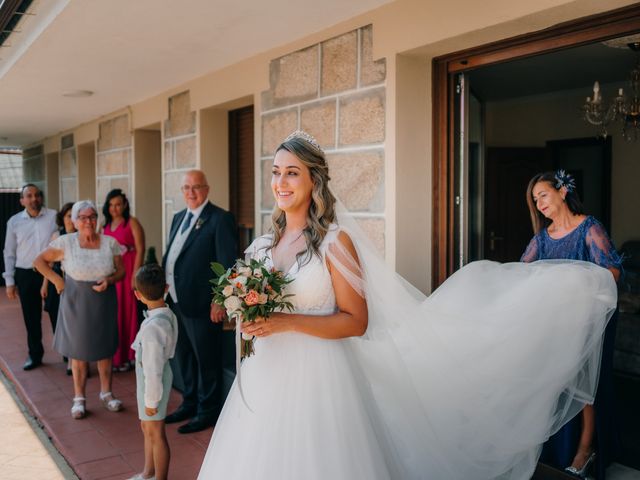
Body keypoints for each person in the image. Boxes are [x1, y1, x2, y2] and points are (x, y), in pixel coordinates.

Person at [198, 131, 617, 480]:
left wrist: (285, 322)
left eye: (292, 173)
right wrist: (244, 312)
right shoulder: (261, 247)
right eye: (276, 173)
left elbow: (356, 320)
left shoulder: (333, 242)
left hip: (318, 382)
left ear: (314, 181)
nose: (281, 183)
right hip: (264, 376)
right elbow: (251, 305)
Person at [521, 170, 622, 479]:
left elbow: (613, 273)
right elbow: (521, 272)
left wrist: (577, 288)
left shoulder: (589, 229)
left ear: (562, 192)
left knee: (583, 382)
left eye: (544, 195)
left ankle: (585, 448)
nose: (539, 204)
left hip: (589, 319)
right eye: (535, 200)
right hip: (554, 322)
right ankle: (551, 449)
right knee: (552, 380)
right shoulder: (542, 238)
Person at [34, 200, 126, 419]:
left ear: (98, 219)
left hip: (103, 300)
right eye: (83, 217)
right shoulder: (65, 242)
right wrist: (56, 280)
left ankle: (107, 393)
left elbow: (121, 272)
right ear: (74, 221)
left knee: (104, 350)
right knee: (79, 352)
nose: (88, 221)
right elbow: (38, 262)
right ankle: (79, 399)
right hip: (76, 301)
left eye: (92, 216)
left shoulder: (110, 243)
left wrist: (110, 279)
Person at [162, 169, 237, 434]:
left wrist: (220, 301)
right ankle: (189, 402)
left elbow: (228, 264)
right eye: (186, 188)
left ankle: (207, 412)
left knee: (207, 360)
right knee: (185, 357)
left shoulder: (220, 219)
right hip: (177, 301)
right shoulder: (178, 218)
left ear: (206, 189)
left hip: (204, 304)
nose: (191, 192)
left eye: (196, 187)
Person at [128, 264, 178, 480]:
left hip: (153, 383)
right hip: (148, 380)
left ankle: (160, 477)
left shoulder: (153, 328)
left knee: (156, 432)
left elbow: (153, 369)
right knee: (147, 428)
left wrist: (151, 401)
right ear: (166, 287)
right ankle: (148, 473)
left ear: (138, 295)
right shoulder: (165, 315)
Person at [3, 184, 57, 370]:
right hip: (25, 274)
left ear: (40, 197)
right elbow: (9, 252)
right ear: (22, 200)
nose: (34, 199)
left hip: (49, 272)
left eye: (37, 195)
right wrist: (9, 281)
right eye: (29, 195)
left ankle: (68, 355)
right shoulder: (14, 222)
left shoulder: (52, 216)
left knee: (56, 314)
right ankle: (35, 355)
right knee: (31, 318)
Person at [102, 189, 146, 371]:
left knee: (128, 314)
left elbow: (141, 249)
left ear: (125, 204)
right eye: (111, 205)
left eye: (118, 204)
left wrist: (135, 276)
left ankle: (130, 357)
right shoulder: (105, 226)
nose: (115, 208)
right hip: (112, 272)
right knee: (114, 315)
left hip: (128, 271)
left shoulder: (131, 222)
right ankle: (116, 357)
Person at [40, 202, 76, 375]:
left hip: (75, 283)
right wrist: (45, 284)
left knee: (73, 322)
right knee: (58, 321)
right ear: (63, 218)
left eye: (74, 215)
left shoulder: (81, 236)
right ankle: (66, 352)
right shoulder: (57, 236)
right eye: (68, 216)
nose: (71, 219)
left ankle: (73, 360)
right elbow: (48, 263)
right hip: (57, 281)